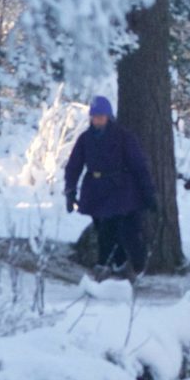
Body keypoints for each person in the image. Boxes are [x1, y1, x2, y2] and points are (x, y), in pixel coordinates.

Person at [64, 95, 155, 278]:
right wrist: (70, 190)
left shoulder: (123, 137)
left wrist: (148, 193)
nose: (98, 120)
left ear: (109, 117)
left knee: (116, 229)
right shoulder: (85, 139)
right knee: (103, 228)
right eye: (95, 116)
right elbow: (74, 165)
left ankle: (111, 266)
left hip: (120, 189)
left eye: (102, 116)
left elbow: (139, 165)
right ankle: (118, 266)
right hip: (95, 190)